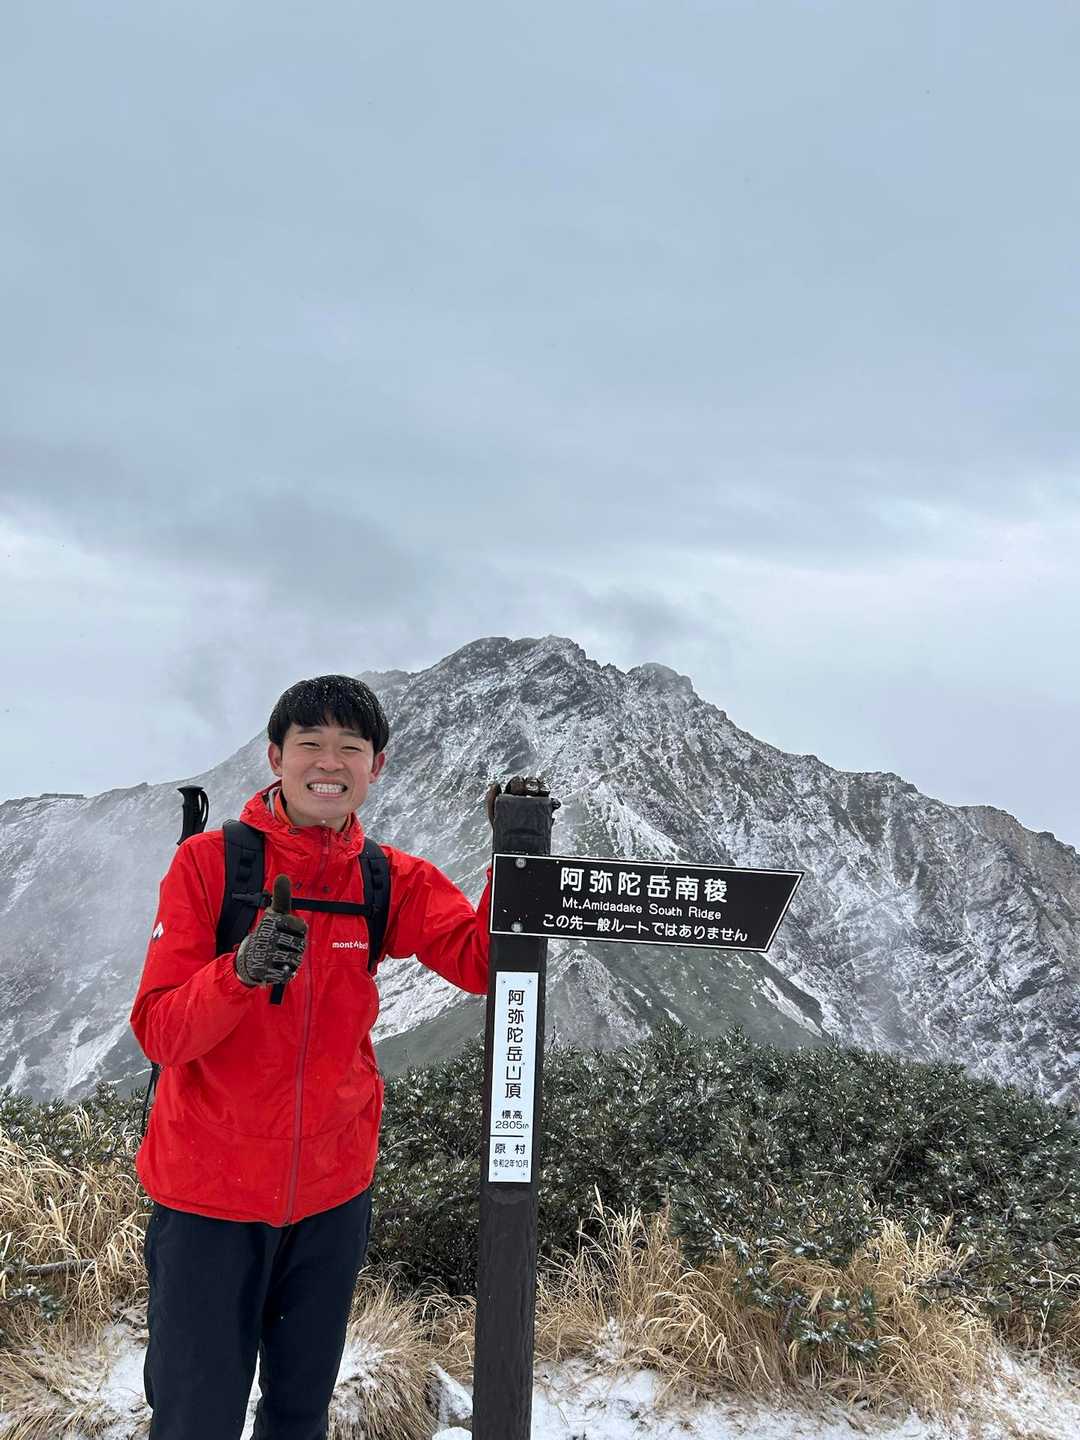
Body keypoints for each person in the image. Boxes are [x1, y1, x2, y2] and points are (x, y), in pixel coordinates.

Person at [130, 674, 511, 1440]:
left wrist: (516, 854)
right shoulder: (209, 865)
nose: (329, 762)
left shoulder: (384, 878)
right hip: (208, 1200)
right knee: (195, 1417)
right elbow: (161, 1031)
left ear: (377, 765)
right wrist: (239, 973)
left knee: (300, 1416)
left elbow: (479, 961)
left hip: (332, 1199)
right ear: (277, 756)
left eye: (350, 747)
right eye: (310, 743)